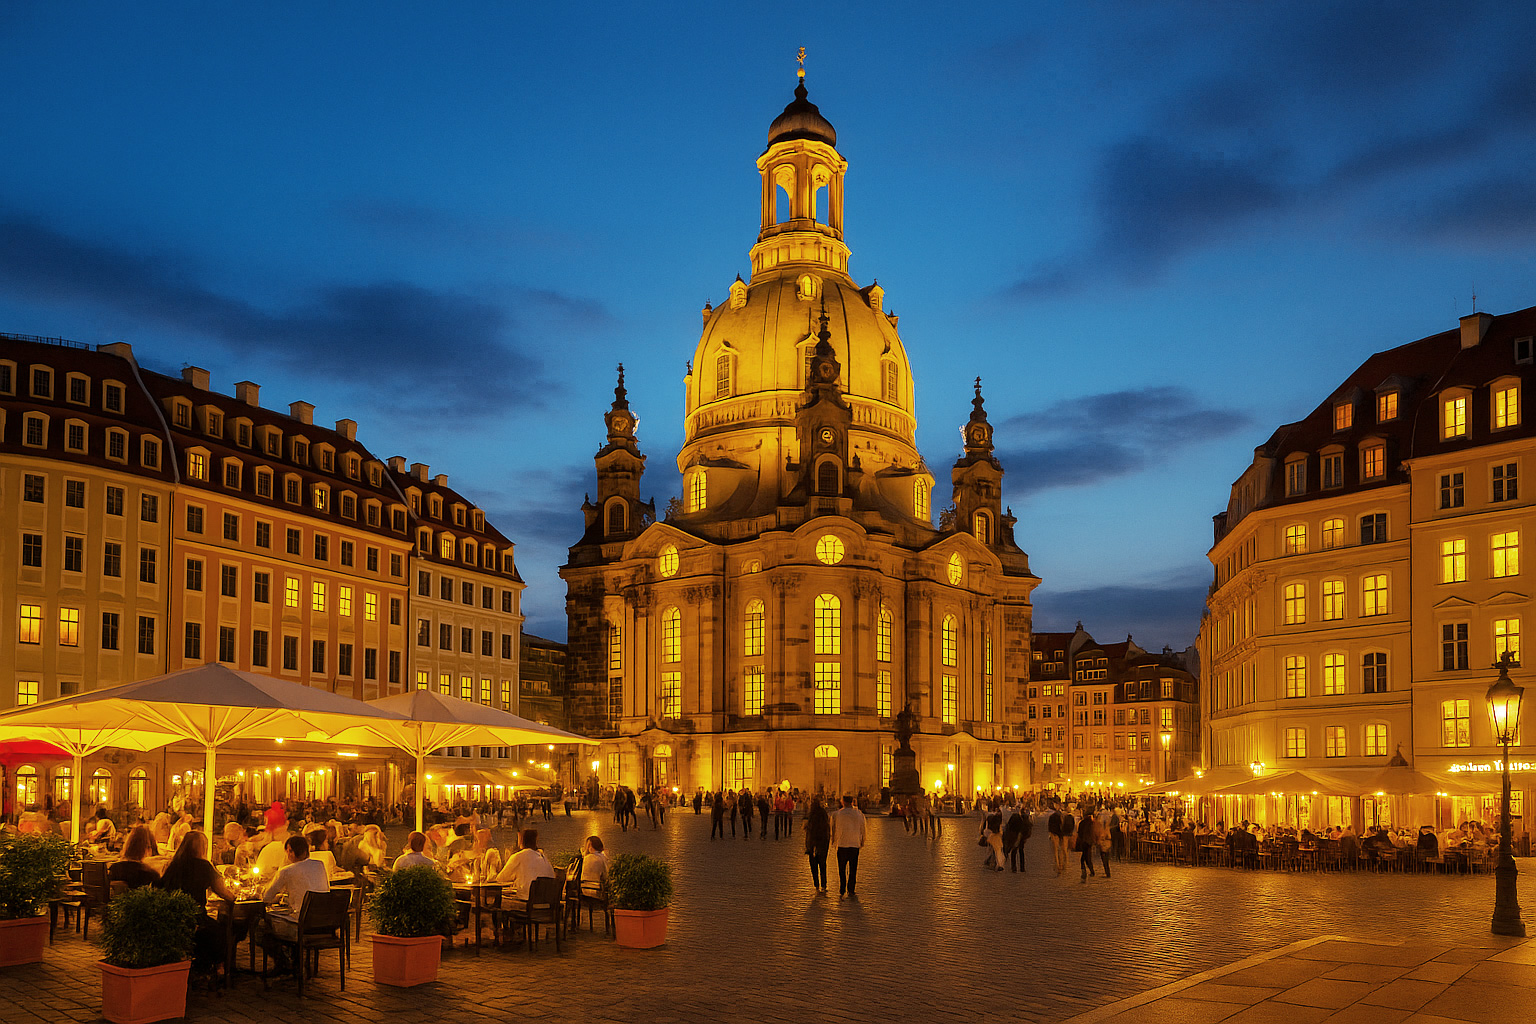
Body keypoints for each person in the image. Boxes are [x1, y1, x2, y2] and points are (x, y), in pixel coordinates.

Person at [157, 830, 238, 974]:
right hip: (194, 918)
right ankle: (219, 966)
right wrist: (234, 897)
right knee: (222, 930)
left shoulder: (173, 865)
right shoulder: (204, 866)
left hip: (171, 917)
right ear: (203, 847)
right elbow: (223, 892)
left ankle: (201, 964)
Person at [260, 836, 330, 970]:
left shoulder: (286, 871)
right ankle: (296, 961)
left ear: (290, 851)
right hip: (324, 924)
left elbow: (266, 897)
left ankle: (283, 964)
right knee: (291, 914)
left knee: (262, 928)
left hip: (301, 925)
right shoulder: (319, 865)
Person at [493, 829, 555, 911]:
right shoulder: (543, 858)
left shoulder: (518, 856)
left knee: (500, 903)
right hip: (548, 904)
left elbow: (501, 878)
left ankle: (508, 922)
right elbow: (552, 876)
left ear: (521, 841)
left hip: (528, 902)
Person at [829, 795, 866, 897]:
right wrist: (862, 840)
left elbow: (833, 828)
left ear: (843, 802)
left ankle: (842, 888)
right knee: (853, 869)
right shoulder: (859, 814)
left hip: (842, 844)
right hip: (854, 844)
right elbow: (863, 828)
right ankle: (851, 889)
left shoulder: (837, 814)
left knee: (842, 868)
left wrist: (833, 841)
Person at [804, 798, 831, 893]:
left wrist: (808, 845)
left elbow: (810, 831)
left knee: (814, 866)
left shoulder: (812, 815)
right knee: (823, 864)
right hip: (823, 843)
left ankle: (816, 885)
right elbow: (827, 828)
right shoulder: (823, 813)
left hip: (813, 844)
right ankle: (824, 885)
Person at [1003, 805, 1031, 873]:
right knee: (1021, 852)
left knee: (1014, 852)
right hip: (1022, 836)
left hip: (1015, 836)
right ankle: (1022, 868)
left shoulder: (1015, 817)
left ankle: (1014, 868)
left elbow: (1009, 826)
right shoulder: (1025, 818)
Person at [1077, 807, 1100, 882]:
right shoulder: (1091, 823)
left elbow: (1079, 833)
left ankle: (1087, 871)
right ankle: (1090, 871)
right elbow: (1094, 832)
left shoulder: (1082, 823)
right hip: (1089, 841)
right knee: (1086, 857)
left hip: (1084, 841)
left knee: (1085, 857)